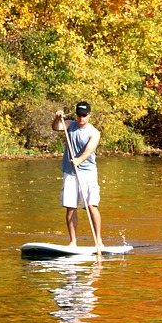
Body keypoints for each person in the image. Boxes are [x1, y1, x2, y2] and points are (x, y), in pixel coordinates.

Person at [52, 101, 103, 248]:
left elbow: (89, 150)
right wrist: (57, 117)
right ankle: (73, 242)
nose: (81, 118)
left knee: (91, 206)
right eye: (79, 115)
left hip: (87, 173)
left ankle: (98, 241)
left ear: (89, 115)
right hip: (70, 172)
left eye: (84, 115)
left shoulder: (94, 132)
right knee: (70, 207)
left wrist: (79, 160)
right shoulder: (69, 124)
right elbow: (56, 127)